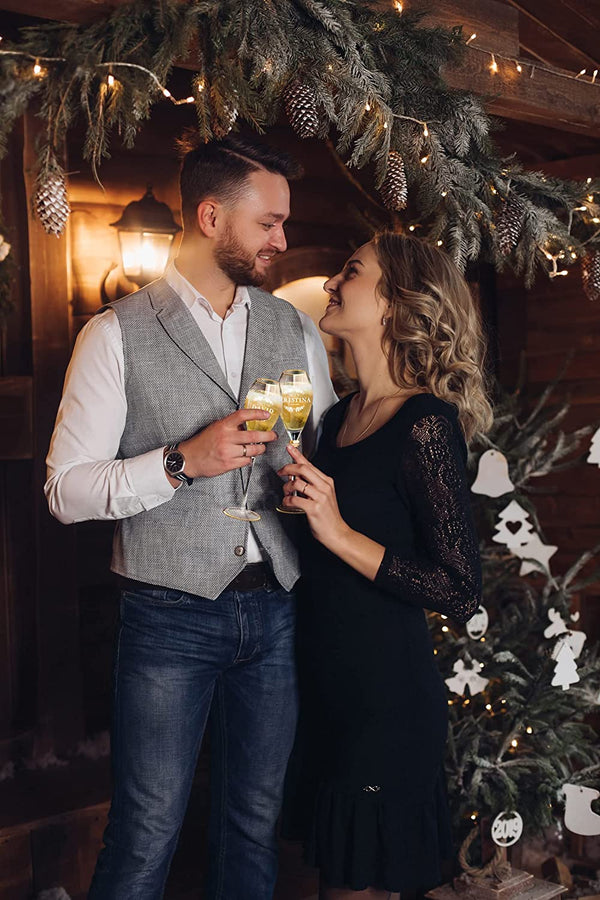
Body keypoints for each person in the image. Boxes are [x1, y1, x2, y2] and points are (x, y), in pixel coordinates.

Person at [45, 134, 336, 900]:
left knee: (253, 824)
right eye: (268, 223)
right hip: (166, 616)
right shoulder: (112, 334)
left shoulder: (295, 330)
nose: (282, 240)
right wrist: (180, 462)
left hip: (276, 610)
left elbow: (321, 452)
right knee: (147, 830)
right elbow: (66, 490)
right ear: (211, 216)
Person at [278, 232, 493, 899]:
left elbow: (458, 588)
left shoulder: (426, 423)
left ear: (398, 301)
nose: (335, 282)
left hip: (385, 703)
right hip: (323, 692)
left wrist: (336, 530)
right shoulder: (339, 419)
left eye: (352, 271)